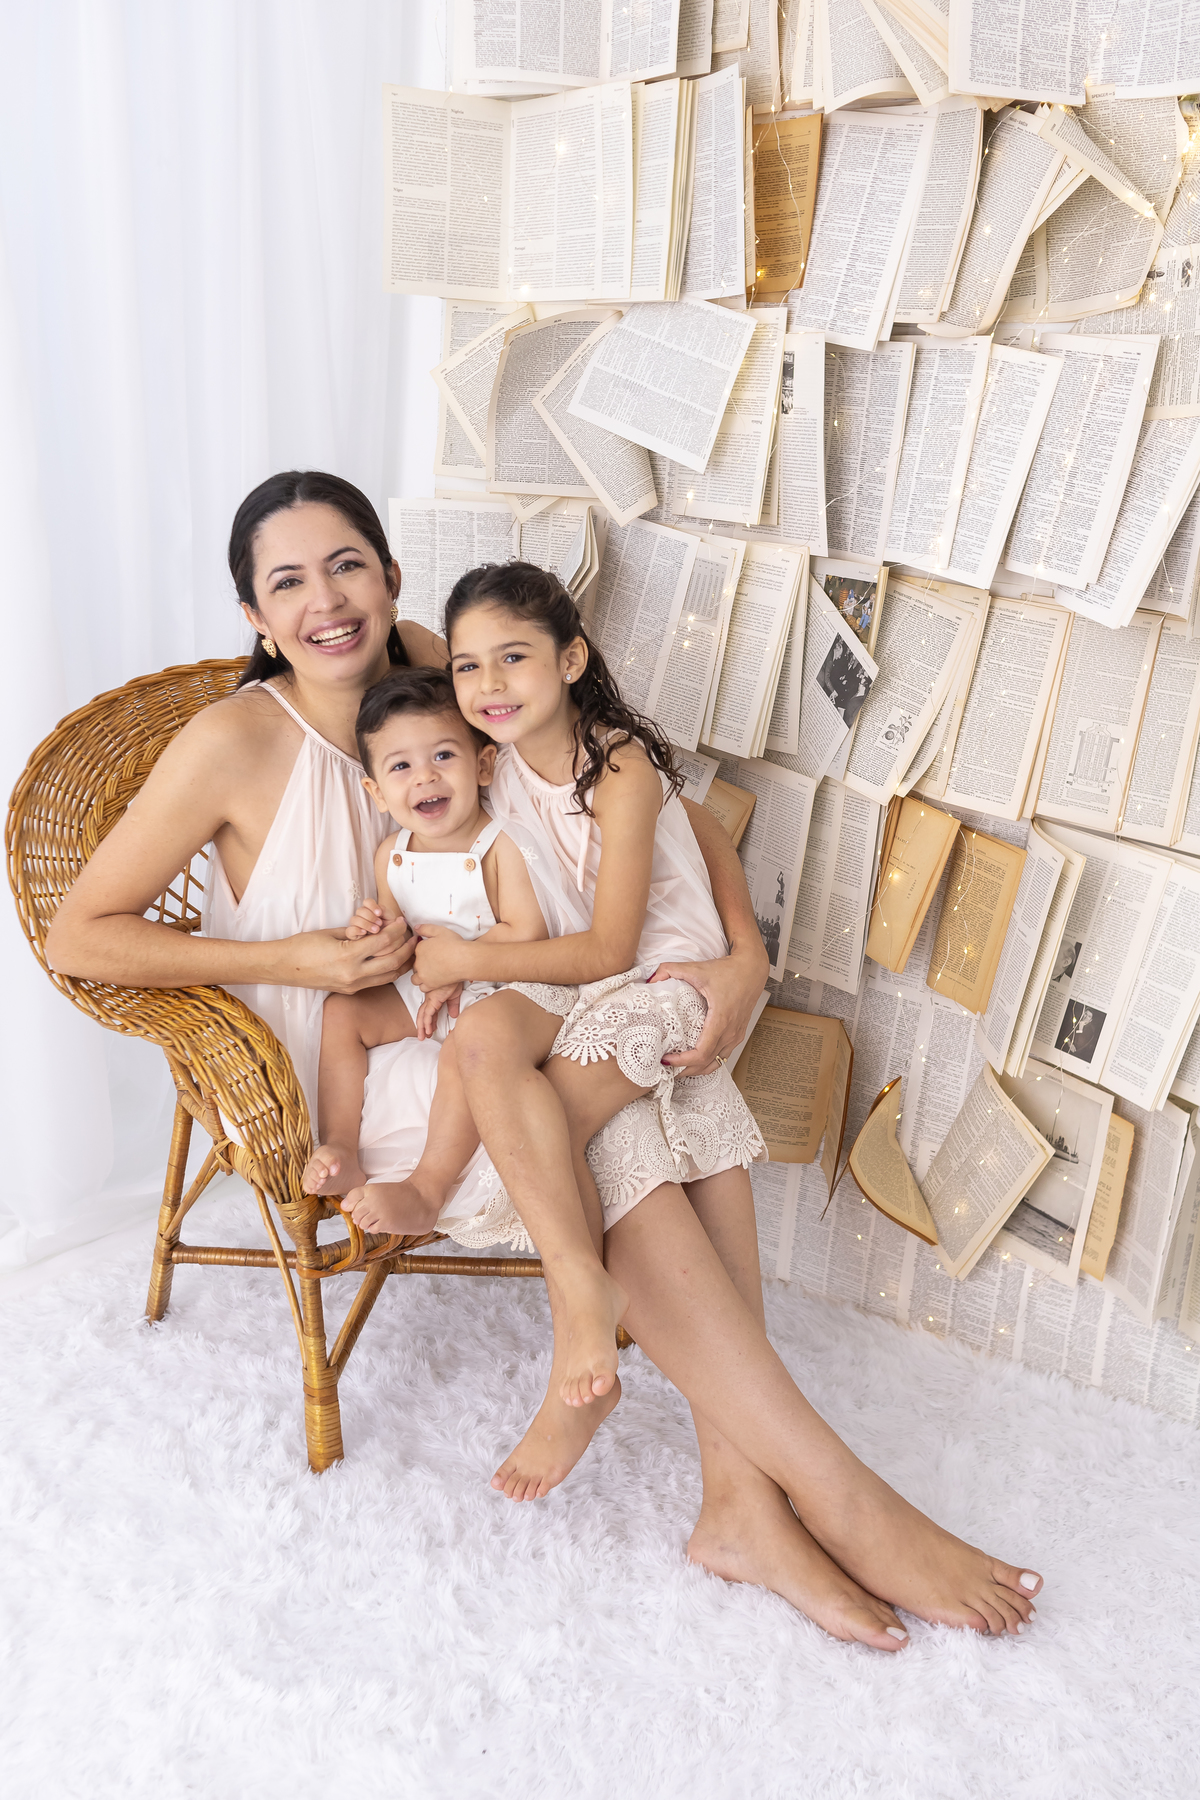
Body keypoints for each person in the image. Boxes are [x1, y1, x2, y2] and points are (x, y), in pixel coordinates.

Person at [45, 471, 1042, 1651]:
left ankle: (743, 1499)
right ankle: (833, 1495)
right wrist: (316, 962)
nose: (328, 600)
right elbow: (79, 934)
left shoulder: (440, 665)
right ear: (256, 617)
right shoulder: (232, 740)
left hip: (493, 996)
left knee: (655, 1089)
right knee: (619, 1119)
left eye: (348, 564)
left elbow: (653, 793)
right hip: (348, 1058)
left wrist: (743, 958)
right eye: (288, 582)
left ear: (391, 573)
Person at [300, 665, 549, 1242]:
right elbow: (398, 938)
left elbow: (527, 932)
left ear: (483, 763)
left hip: (491, 993)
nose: (425, 779)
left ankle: (427, 1186)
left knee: (469, 1047)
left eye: (443, 756)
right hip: (422, 989)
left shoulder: (498, 845)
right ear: (376, 791)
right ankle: (341, 1141)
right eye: (401, 767)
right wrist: (372, 928)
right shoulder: (393, 853)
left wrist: (463, 961)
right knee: (343, 1011)